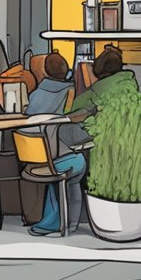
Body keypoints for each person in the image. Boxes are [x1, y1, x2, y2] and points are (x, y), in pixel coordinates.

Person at [25, 52, 89, 236]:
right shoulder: (70, 93)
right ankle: (70, 223)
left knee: (66, 169)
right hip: (57, 158)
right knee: (78, 165)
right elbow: (73, 129)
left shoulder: (36, 94)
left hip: (35, 159)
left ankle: (58, 221)